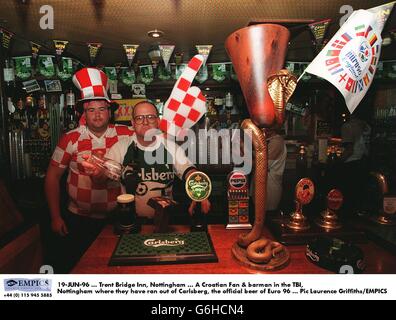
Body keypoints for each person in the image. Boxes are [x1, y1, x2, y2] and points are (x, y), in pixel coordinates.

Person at [44, 67, 133, 273]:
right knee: (81, 271)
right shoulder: (70, 138)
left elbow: (154, 138)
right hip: (79, 221)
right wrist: (56, 217)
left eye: (102, 108)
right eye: (91, 109)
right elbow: (52, 177)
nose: (97, 114)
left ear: (110, 111)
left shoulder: (126, 134)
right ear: (83, 113)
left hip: (118, 220)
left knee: (119, 272)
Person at [83, 100, 211, 219]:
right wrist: (97, 173)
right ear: (132, 124)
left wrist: (199, 191)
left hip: (166, 221)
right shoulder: (121, 147)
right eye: (139, 118)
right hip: (131, 220)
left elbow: (189, 171)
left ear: (158, 121)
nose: (145, 122)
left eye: (150, 117)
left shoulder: (171, 147)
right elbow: (102, 176)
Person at [339, 113, 371, 215]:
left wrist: (337, 162)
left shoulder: (348, 126)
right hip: (364, 161)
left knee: (348, 198)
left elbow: (349, 150)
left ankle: (347, 220)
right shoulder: (367, 126)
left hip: (351, 163)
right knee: (358, 196)